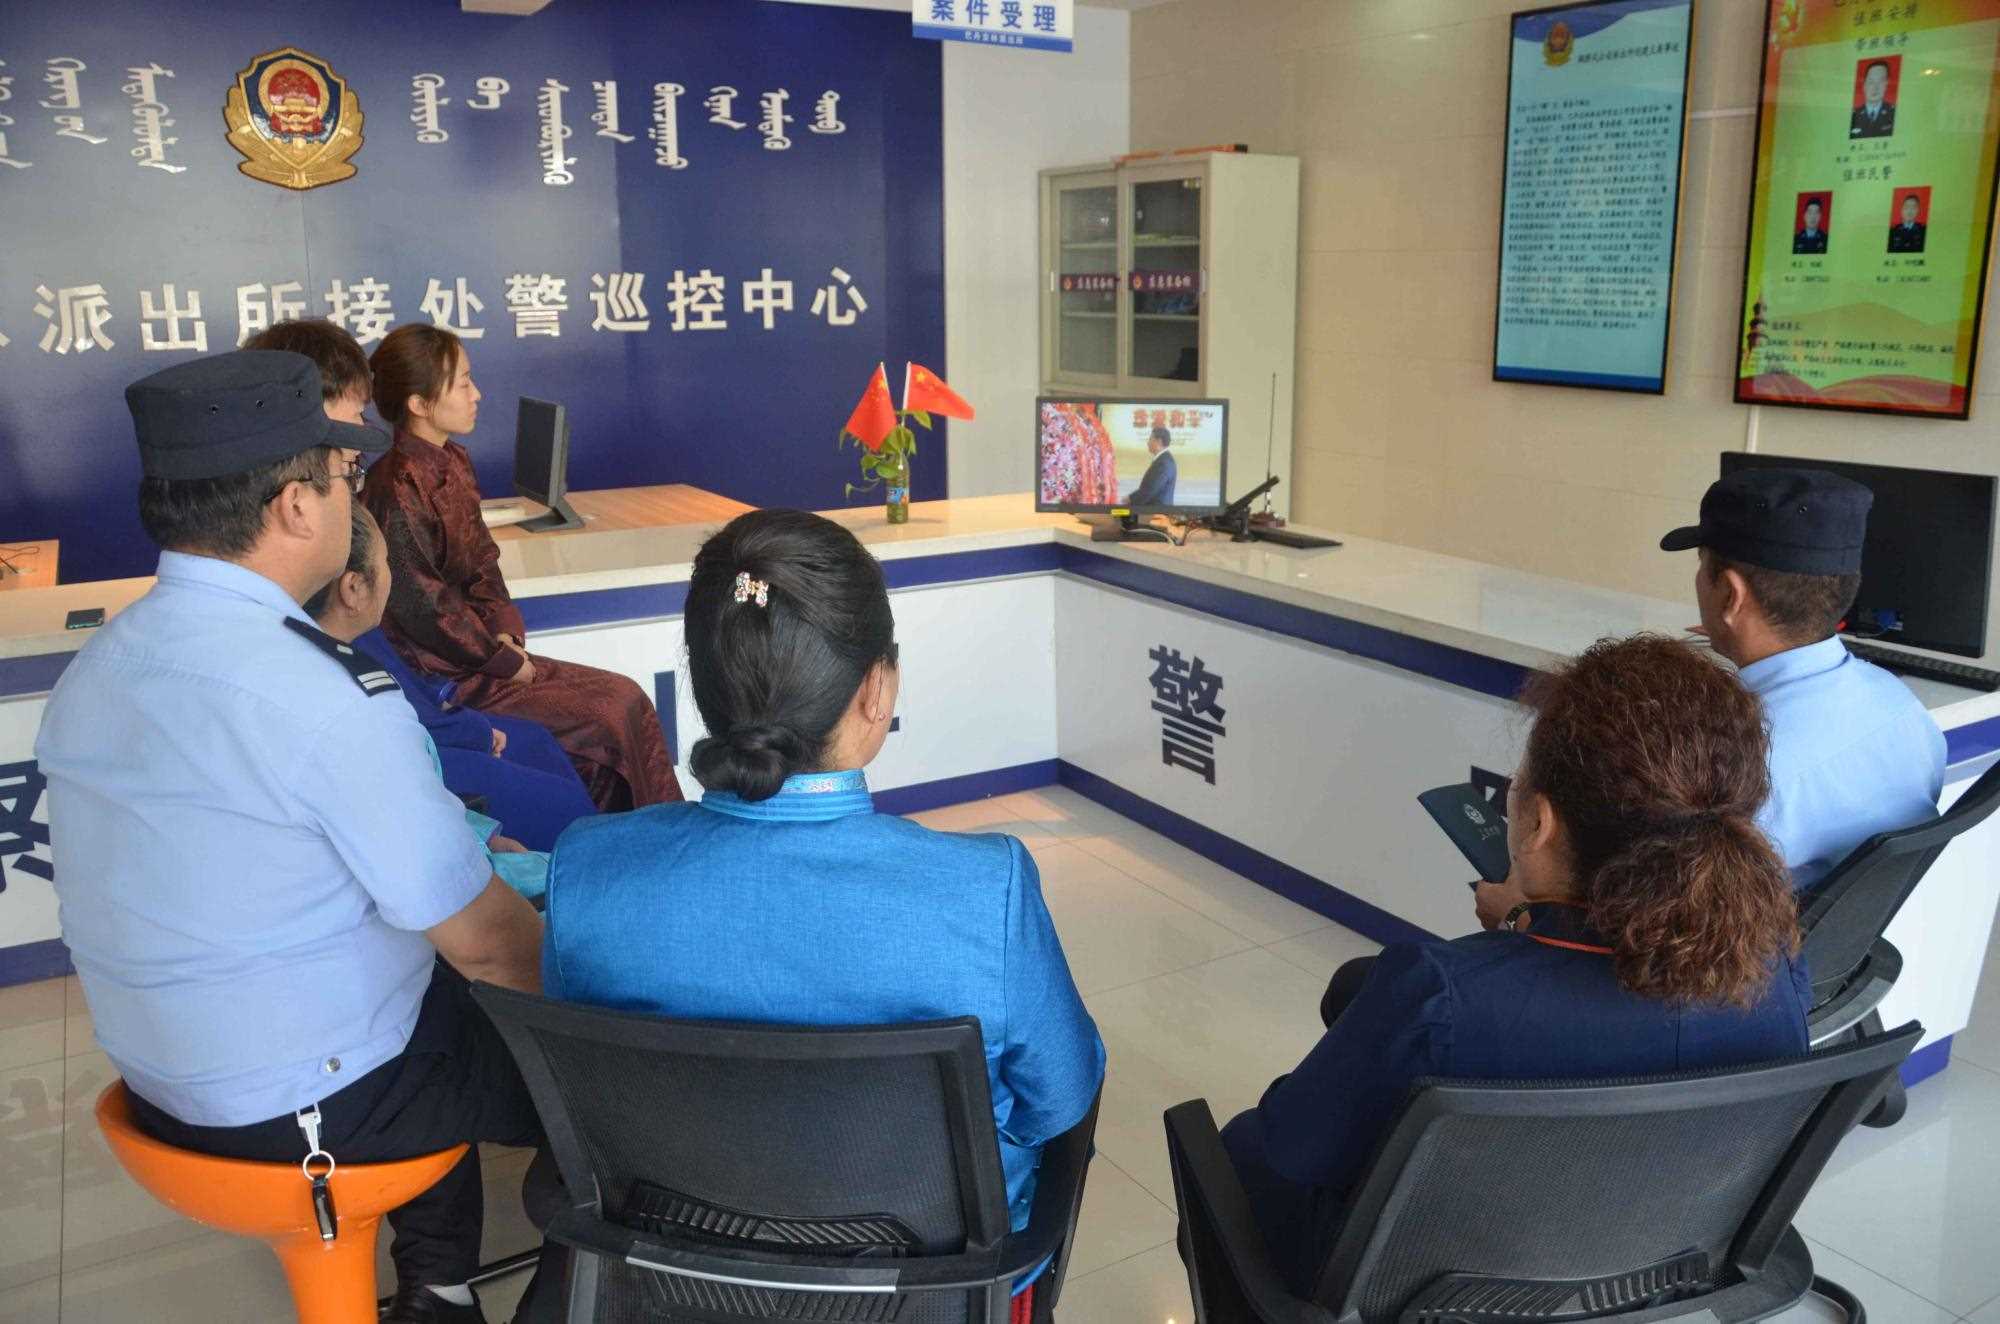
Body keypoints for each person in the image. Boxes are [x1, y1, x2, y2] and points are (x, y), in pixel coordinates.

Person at [36, 349, 545, 1324]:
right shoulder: (320, 694)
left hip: (158, 1089)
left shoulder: (102, 664)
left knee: (423, 984)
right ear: (296, 507)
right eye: (346, 475)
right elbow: (488, 943)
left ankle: (440, 1289)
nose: (356, 496)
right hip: (303, 1117)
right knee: (591, 1052)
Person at [540, 508, 1105, 1313]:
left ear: (704, 686)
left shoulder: (588, 869)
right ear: (876, 689)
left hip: (676, 1287)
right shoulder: (984, 890)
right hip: (927, 1297)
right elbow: (1061, 1096)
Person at [1228, 635, 1811, 1295]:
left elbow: (1293, 1152)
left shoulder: (1440, 996)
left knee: (1235, 1150)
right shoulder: (1777, 966)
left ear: (1539, 823)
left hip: (1433, 1287)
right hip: (1662, 1259)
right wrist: (1531, 922)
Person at [249, 317, 596, 849]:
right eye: (348, 448)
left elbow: (480, 562)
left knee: (555, 744)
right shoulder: (376, 505)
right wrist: (484, 686)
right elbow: (415, 623)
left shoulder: (442, 468)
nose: (360, 443)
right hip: (425, 708)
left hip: (430, 705)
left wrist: (503, 632)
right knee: (589, 742)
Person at [360, 323, 681, 811]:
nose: (477, 394)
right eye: (463, 383)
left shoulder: (453, 461)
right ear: (420, 403)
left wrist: (504, 631)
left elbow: (482, 560)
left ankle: (660, 833)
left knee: (627, 698)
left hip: (483, 655)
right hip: (447, 675)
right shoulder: (395, 488)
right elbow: (428, 609)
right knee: (609, 712)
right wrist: (501, 659)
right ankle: (637, 838)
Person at [1660, 467, 1945, 891]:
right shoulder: (1903, 708)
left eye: (1703, 566)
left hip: (1738, 932)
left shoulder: (1736, 766)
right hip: (1820, 928)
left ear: (1731, 595)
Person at [307, 503, 554, 900]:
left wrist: (481, 834)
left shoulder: (332, 652)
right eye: (385, 562)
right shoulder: (360, 709)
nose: (391, 577)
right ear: (353, 588)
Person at [1128, 424, 1177, 507]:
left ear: (1159, 442)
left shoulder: (1164, 463)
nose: (1148, 443)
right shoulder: (1163, 459)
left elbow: (1150, 490)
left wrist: (1129, 500)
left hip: (1158, 512)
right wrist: (1130, 498)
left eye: (1150, 439)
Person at [1852, 59, 1896, 139]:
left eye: (1880, 82)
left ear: (1886, 84)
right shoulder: (1853, 115)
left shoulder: (1894, 113)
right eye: (1871, 82)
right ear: (1864, 85)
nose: (1875, 88)